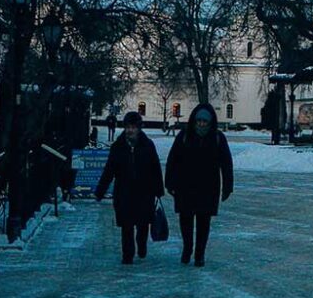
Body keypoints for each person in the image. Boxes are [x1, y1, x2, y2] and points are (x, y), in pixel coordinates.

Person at [165, 103, 234, 268]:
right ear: (194, 121)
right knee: (186, 220)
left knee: (204, 222)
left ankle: (200, 253)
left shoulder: (218, 138)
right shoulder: (184, 136)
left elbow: (226, 164)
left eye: (205, 121)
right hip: (185, 186)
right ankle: (187, 247)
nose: (202, 124)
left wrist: (227, 187)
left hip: (208, 188)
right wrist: (169, 182)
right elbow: (172, 160)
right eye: (199, 121)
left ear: (210, 123)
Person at [95, 111, 164, 265]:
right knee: (126, 225)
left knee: (142, 224)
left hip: (144, 192)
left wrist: (159, 189)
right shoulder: (118, 147)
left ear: (139, 128)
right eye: (127, 127)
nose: (130, 130)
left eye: (133, 127)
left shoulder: (147, 145)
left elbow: (155, 168)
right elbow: (109, 170)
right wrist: (100, 190)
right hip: (124, 192)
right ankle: (127, 254)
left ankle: (141, 245)